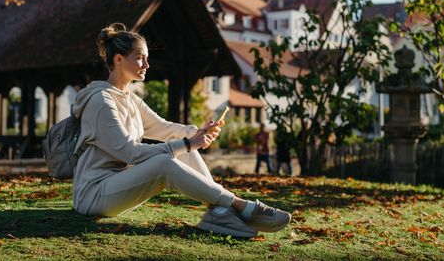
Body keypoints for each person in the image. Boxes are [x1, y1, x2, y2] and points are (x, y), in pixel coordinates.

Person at [71, 23, 291, 238]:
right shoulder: (101, 102)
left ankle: (218, 212)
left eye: (147, 58)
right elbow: (130, 153)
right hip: (93, 195)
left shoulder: (130, 99)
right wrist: (187, 143)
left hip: (119, 186)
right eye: (140, 58)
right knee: (165, 161)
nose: (147, 64)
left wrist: (197, 133)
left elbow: (164, 128)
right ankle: (238, 204)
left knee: (180, 142)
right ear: (119, 59)